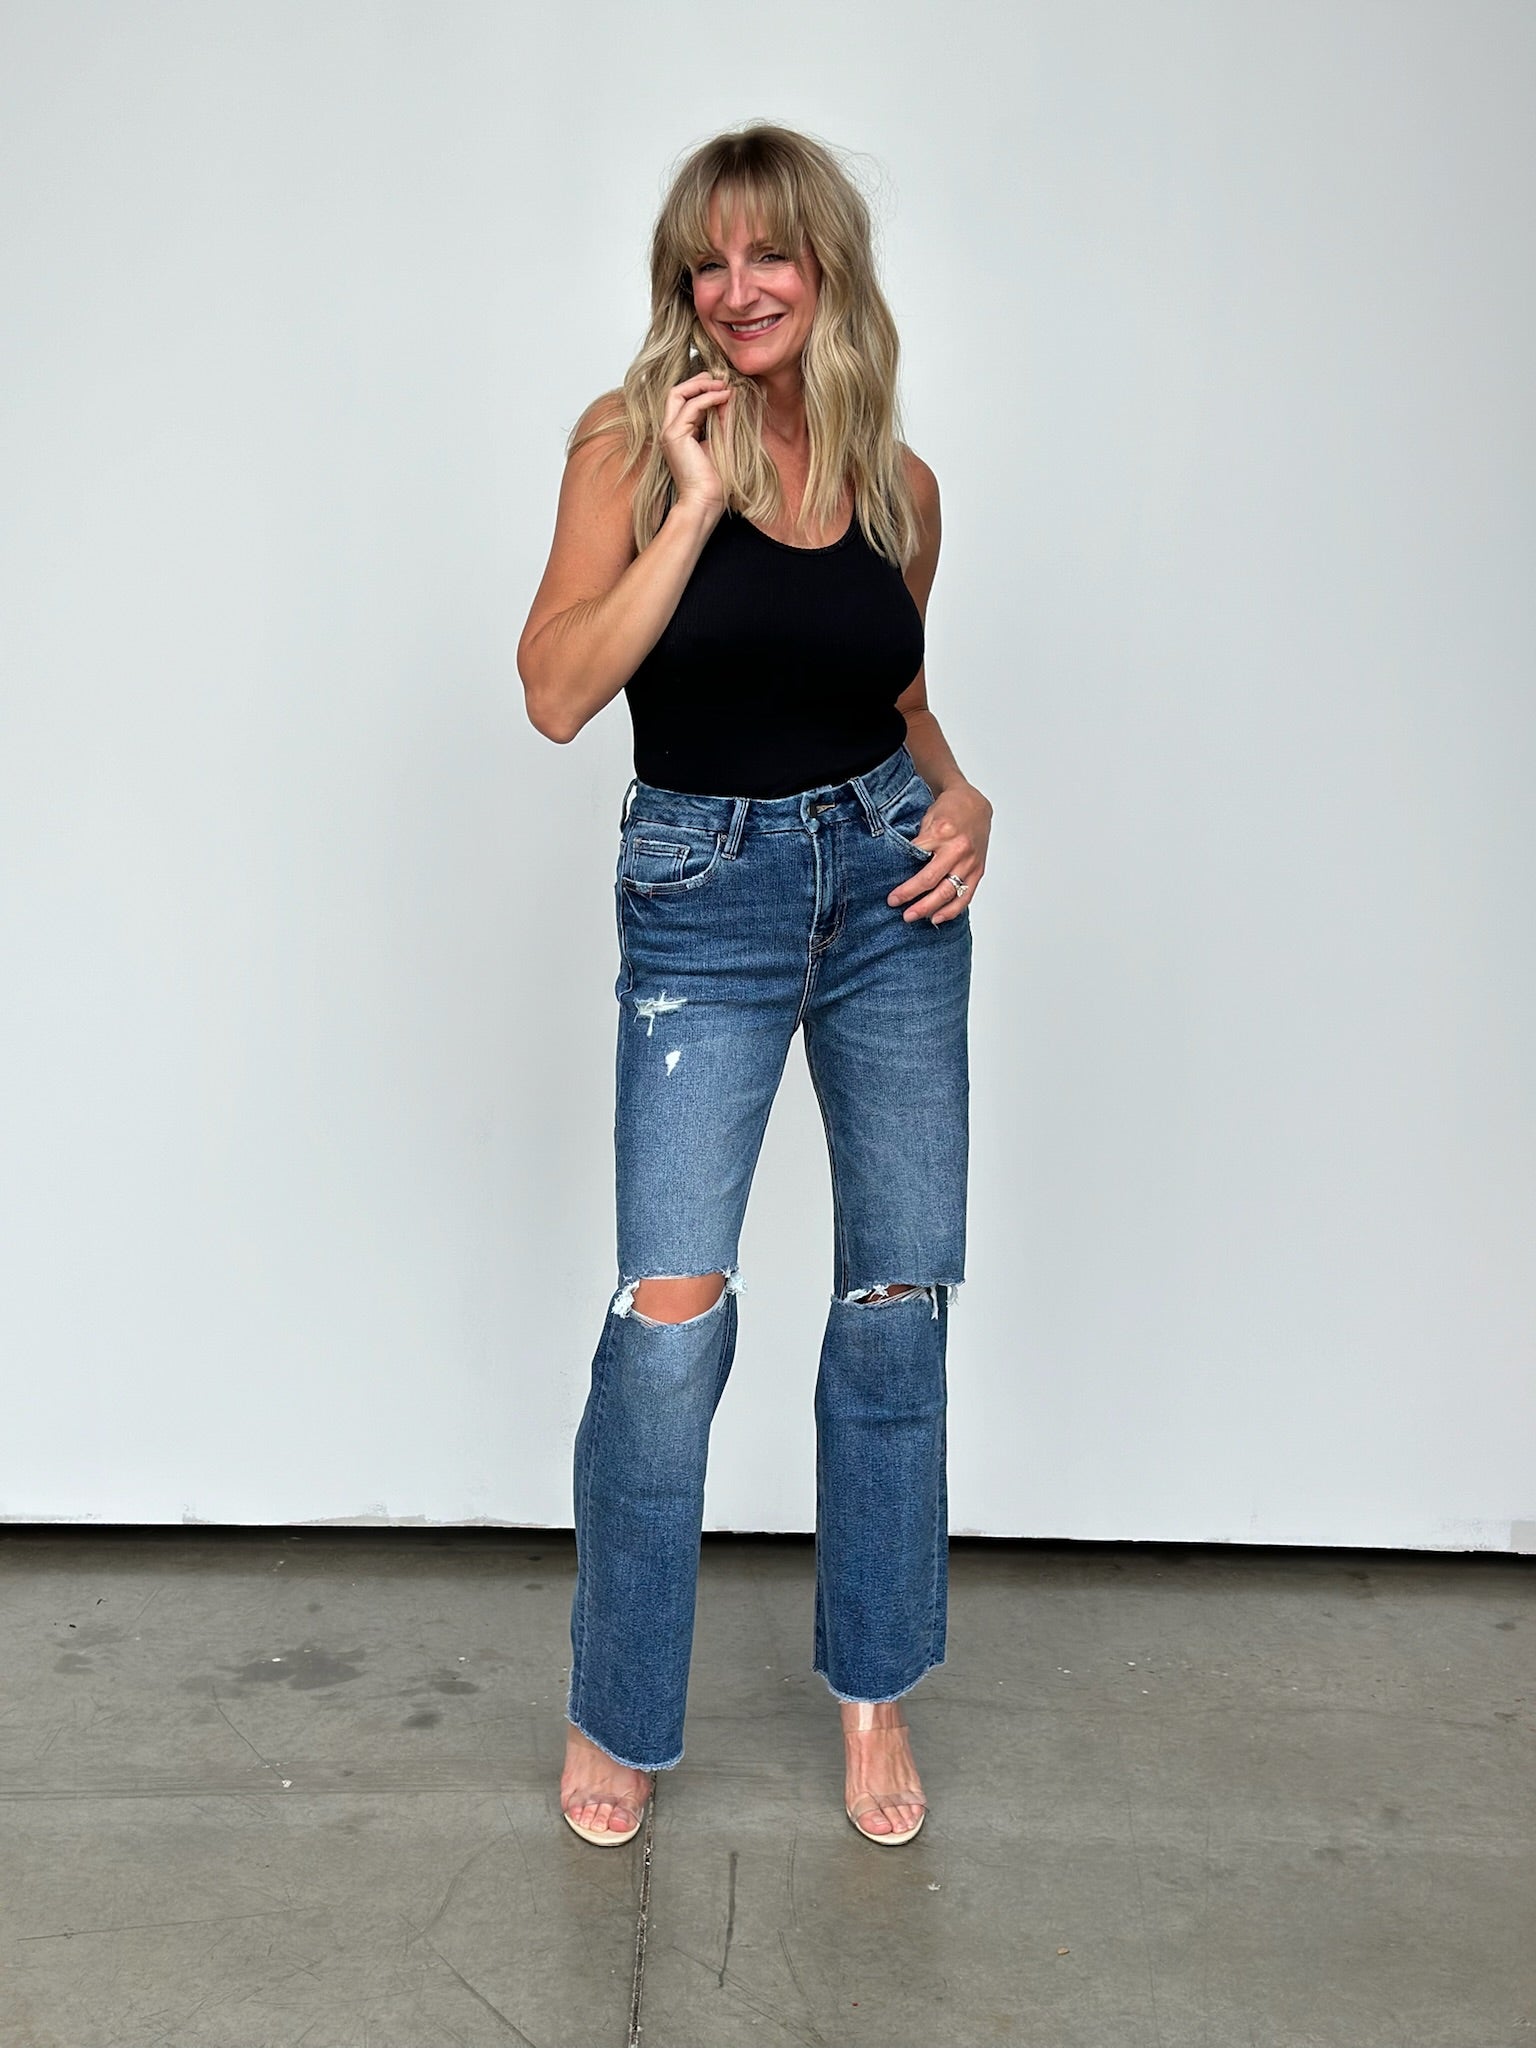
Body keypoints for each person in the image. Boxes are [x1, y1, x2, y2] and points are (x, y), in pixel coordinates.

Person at [517, 122, 992, 1848]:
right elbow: (557, 691)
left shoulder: (898, 481)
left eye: (768, 255)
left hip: (888, 887)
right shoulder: (629, 444)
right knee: (669, 1326)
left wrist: (964, 792)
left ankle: (874, 1695)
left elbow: (895, 696)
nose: (737, 290)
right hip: (703, 896)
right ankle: (621, 1704)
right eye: (706, 263)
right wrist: (698, 505)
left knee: (895, 1302)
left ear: (826, 267)